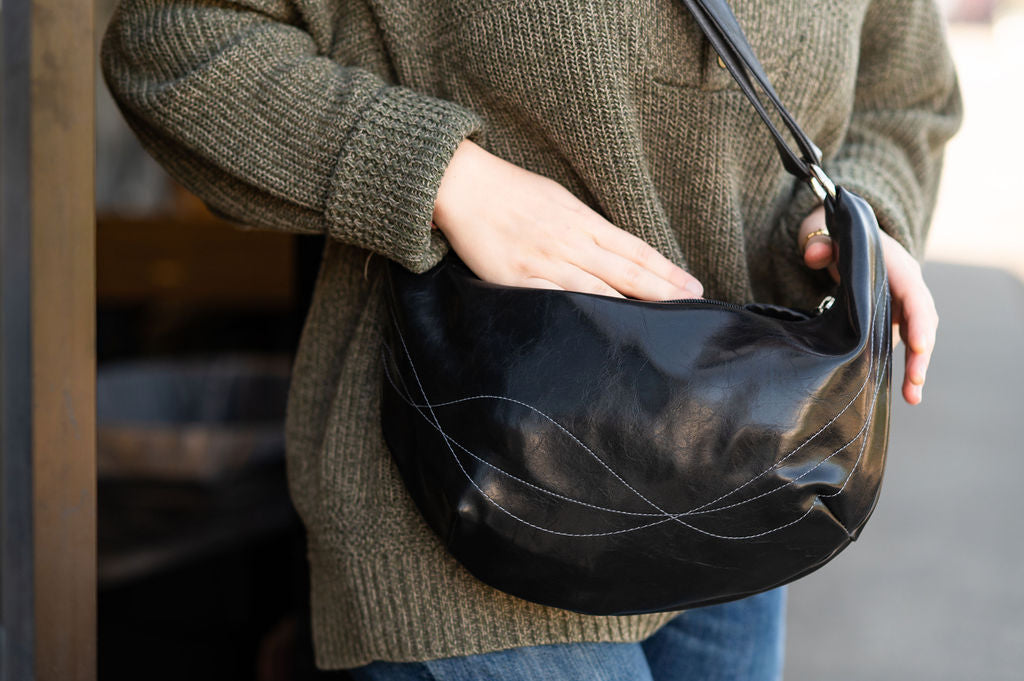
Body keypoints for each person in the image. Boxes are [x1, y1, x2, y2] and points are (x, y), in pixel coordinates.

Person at [101, 0, 962, 678]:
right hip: (470, 501)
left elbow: (904, 94)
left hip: (746, 491)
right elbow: (176, 42)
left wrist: (855, 215)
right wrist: (443, 177)